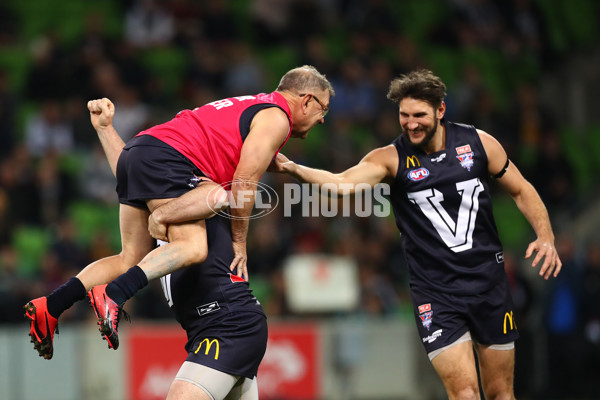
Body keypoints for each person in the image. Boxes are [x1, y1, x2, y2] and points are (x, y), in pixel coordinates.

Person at [271, 69, 562, 399]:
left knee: (500, 393)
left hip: (489, 285)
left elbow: (522, 190)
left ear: (440, 110)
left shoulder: (479, 144)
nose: (410, 124)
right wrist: (293, 168)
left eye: (419, 115)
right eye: (404, 115)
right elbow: (342, 184)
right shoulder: (390, 159)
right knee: (465, 393)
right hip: (436, 294)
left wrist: (545, 235)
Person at [24, 65, 334, 360]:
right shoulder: (277, 118)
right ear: (306, 100)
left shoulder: (254, 106)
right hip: (168, 161)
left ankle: (52, 305)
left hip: (139, 154)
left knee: (129, 258)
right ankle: (115, 293)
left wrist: (106, 130)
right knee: (195, 242)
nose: (323, 119)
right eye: (324, 108)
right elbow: (243, 183)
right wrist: (240, 244)